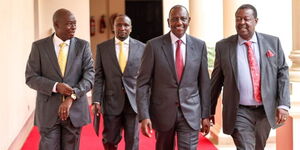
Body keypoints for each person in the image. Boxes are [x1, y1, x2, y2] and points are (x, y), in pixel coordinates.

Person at [210, 4, 290, 150]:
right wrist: (208, 111)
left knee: (258, 147)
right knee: (246, 147)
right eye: (238, 19)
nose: (241, 23)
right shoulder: (223, 47)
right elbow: (216, 81)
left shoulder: (272, 43)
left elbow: (282, 73)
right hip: (238, 110)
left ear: (256, 21)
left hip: (264, 111)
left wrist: (283, 104)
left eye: (246, 19)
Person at [136, 5, 211, 150]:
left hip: (190, 112)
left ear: (188, 20)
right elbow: (142, 83)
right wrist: (144, 116)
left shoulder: (199, 45)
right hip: (162, 112)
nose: (179, 22)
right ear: (168, 21)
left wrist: (205, 114)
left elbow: (204, 83)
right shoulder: (153, 46)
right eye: (175, 19)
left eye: (183, 19)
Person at [25, 8, 95, 150]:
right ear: (57, 25)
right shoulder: (39, 47)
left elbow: (90, 76)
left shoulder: (83, 46)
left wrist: (72, 96)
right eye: (69, 24)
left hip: (74, 111)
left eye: (75, 23)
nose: (74, 27)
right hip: (48, 111)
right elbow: (31, 77)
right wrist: (56, 86)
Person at [92, 14, 145, 150]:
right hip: (111, 102)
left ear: (131, 28)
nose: (122, 28)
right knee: (109, 139)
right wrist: (96, 100)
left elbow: (145, 77)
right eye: (119, 25)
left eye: (126, 25)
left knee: (132, 141)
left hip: (133, 103)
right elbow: (98, 77)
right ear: (113, 28)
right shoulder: (102, 48)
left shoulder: (142, 48)